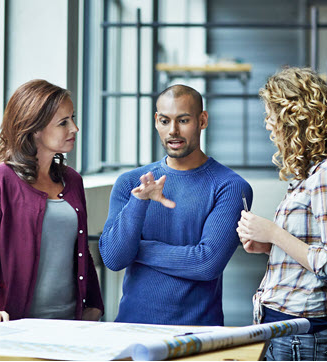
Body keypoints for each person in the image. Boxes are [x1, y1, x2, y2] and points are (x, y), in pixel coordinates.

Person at [236, 67, 327, 361]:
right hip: (284, 332)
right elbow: (312, 252)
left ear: (296, 118)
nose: (267, 123)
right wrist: (269, 246)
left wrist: (275, 233)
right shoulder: (310, 176)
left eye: (272, 114)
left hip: (304, 339)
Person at [98, 84, 253, 325]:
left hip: (199, 336)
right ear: (156, 121)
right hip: (131, 329)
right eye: (164, 121)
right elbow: (115, 259)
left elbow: (206, 263)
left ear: (202, 120)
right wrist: (139, 202)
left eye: (183, 120)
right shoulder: (131, 183)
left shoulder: (230, 186)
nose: (173, 131)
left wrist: (137, 249)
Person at [0, 79, 104, 323]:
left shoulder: (72, 180)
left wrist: (94, 304)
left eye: (72, 118)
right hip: (19, 325)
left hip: (73, 323)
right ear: (34, 129)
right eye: (63, 122)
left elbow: (81, 251)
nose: (74, 128)